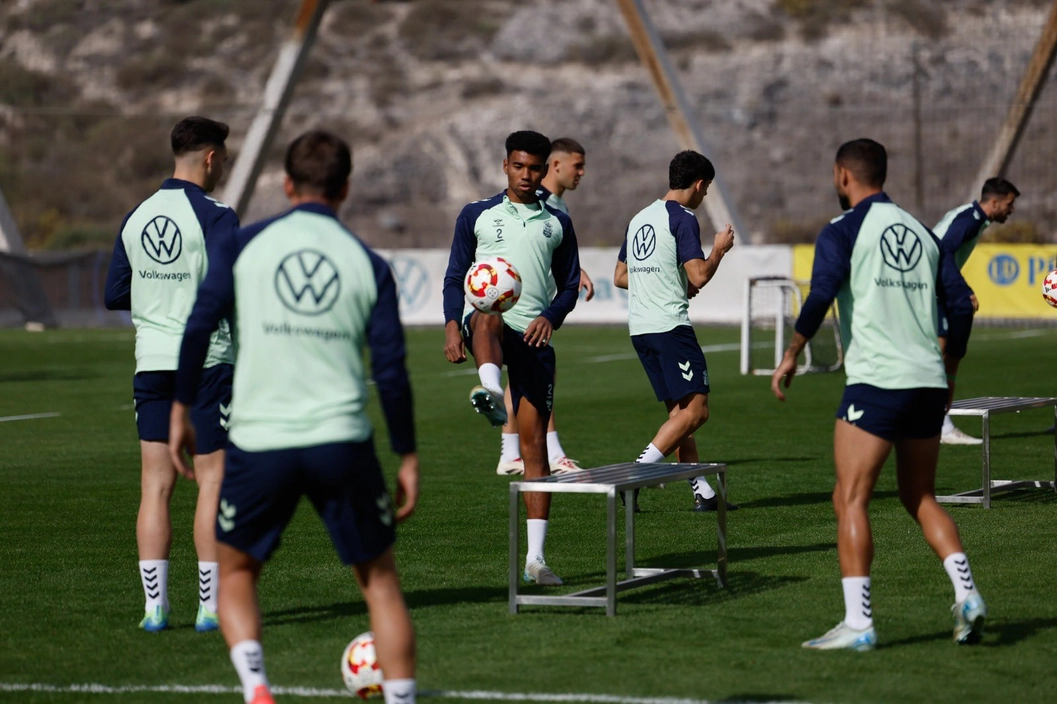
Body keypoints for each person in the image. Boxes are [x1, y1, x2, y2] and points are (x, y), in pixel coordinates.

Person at [169, 131, 419, 704]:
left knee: (235, 575)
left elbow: (199, 323)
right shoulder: (369, 264)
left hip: (261, 442)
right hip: (342, 442)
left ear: (285, 185)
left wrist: (181, 406)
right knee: (379, 584)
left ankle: (257, 689)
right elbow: (392, 369)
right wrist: (406, 453)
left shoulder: (245, 244)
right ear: (347, 188)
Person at [771, 138, 986, 651]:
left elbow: (821, 293)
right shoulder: (923, 232)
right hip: (929, 382)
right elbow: (960, 303)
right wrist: (949, 364)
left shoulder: (844, 230)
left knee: (849, 497)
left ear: (844, 175)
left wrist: (792, 351)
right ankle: (968, 594)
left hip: (878, 383)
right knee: (919, 496)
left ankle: (859, 623)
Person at [104, 116, 236, 634]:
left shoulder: (137, 216)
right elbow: (230, 289)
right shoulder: (217, 216)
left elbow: (115, 293)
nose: (222, 166)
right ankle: (209, 608)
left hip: (151, 362)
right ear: (209, 157)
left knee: (155, 486)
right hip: (203, 364)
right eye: (222, 157)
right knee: (211, 481)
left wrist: (161, 290)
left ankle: (155, 608)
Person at [442, 130, 581, 585]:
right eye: (518, 166)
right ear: (505, 165)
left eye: (535, 168)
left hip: (536, 340)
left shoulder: (556, 222)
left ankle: (536, 560)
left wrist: (551, 318)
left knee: (535, 449)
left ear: (545, 170)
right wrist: (450, 323)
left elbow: (569, 284)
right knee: (488, 313)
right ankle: (488, 388)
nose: (526, 175)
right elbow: (454, 275)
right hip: (489, 326)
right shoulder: (476, 215)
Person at [614, 150, 736, 513]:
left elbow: (621, 276)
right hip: (670, 327)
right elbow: (699, 274)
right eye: (707, 188)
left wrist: (672, 284)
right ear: (699, 184)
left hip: (641, 329)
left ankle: (704, 493)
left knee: (680, 416)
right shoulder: (683, 218)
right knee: (697, 411)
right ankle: (636, 474)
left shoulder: (640, 218)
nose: (705, 195)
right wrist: (719, 250)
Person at [496, 137, 593, 476]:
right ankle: (550, 452)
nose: (582, 172)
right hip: (524, 308)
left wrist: (574, 271)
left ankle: (511, 453)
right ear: (556, 165)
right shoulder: (538, 203)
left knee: (524, 378)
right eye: (576, 165)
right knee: (538, 376)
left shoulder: (558, 210)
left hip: (542, 308)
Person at [934, 177, 1020, 445]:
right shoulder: (969, 218)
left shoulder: (970, 216)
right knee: (944, 353)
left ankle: (938, 424)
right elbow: (942, 249)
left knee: (949, 354)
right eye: (1009, 203)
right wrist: (962, 290)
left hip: (936, 286)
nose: (1011, 209)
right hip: (934, 288)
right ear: (993, 202)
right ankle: (940, 426)